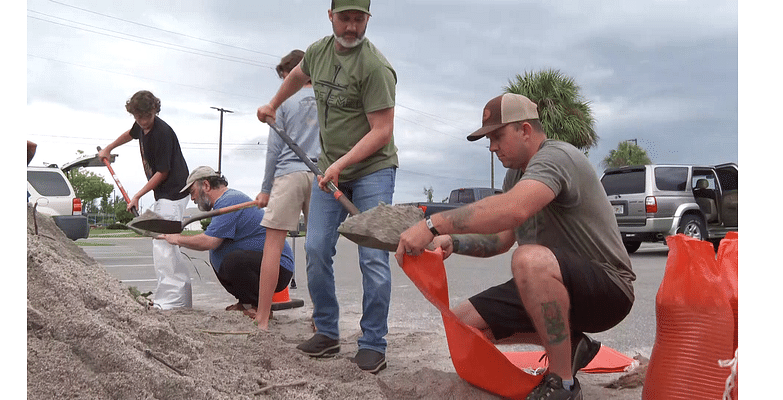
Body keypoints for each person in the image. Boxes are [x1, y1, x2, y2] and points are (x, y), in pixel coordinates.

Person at [395, 93, 636, 399]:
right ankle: (573, 346)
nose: (492, 147)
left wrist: (432, 224)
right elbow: (500, 239)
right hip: (551, 282)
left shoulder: (556, 157)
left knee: (528, 260)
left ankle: (562, 383)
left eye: (497, 136)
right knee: (462, 323)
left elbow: (513, 209)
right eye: (489, 139)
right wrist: (452, 241)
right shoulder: (515, 175)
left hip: (607, 288)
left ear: (525, 130)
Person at [256, 0, 397, 374]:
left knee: (373, 257)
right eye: (344, 18)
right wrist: (273, 103)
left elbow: (382, 132)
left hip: (372, 170)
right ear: (330, 16)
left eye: (358, 19)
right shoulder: (318, 51)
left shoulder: (376, 68)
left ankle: (372, 343)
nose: (351, 27)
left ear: (367, 19)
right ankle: (328, 332)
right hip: (331, 168)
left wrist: (338, 164)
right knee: (316, 248)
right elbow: (298, 76)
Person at [98, 90, 192, 310]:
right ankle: (173, 298)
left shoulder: (162, 133)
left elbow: (162, 173)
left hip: (175, 190)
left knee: (164, 242)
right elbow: (130, 134)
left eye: (147, 117)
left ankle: (174, 301)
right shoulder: (140, 126)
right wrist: (109, 148)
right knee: (160, 242)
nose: (143, 122)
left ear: (154, 111)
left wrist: (138, 195)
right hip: (164, 193)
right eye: (138, 118)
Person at [158, 166, 295, 316]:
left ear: (206, 185)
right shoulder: (224, 203)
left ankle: (260, 308)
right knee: (221, 256)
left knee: (234, 260)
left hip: (279, 267)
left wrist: (177, 239)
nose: (192, 198)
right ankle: (246, 302)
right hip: (262, 265)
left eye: (192, 192)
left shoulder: (230, 201)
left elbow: (209, 241)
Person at [254, 49, 321, 330]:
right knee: (319, 248)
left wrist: (265, 189)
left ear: (291, 74)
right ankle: (321, 317)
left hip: (287, 174)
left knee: (272, 247)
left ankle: (262, 318)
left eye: (284, 78)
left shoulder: (282, 103)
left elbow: (273, 149)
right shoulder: (326, 100)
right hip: (321, 174)